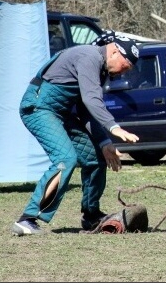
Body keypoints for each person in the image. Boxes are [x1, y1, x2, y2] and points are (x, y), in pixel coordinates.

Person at [11, 32, 140, 236]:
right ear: (115, 51)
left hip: (59, 112)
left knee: (96, 158)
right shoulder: (89, 57)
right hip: (38, 108)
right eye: (126, 66)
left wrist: (105, 142)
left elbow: (84, 109)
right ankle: (27, 219)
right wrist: (113, 127)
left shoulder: (100, 68)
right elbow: (91, 99)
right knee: (65, 159)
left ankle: (91, 216)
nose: (123, 73)